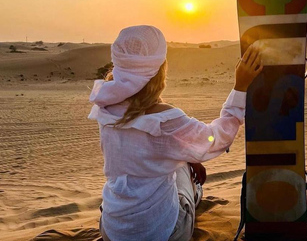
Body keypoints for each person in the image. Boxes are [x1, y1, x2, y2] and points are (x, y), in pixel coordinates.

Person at [88, 25, 262, 241]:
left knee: (179, 165)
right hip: (163, 233)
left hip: (112, 231)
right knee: (185, 178)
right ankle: (194, 195)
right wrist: (241, 87)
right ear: (160, 69)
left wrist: (187, 158)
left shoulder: (105, 106)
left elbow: (149, 147)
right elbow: (216, 138)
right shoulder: (165, 121)